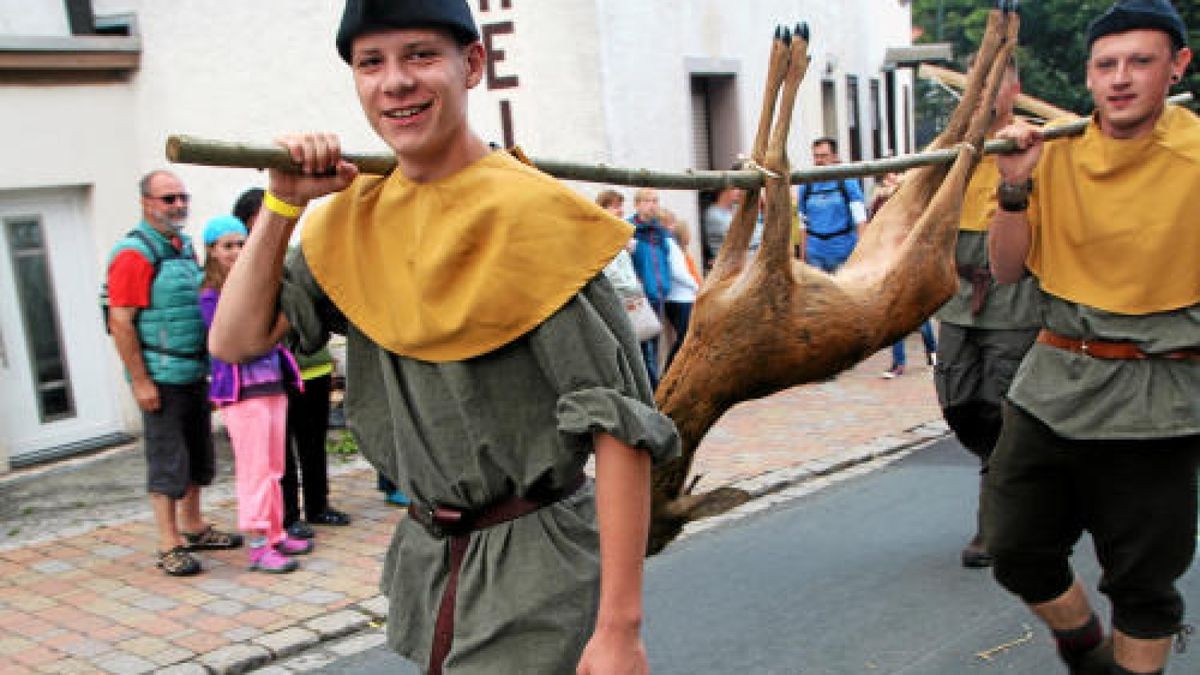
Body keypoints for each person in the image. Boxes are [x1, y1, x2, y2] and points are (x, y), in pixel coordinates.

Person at [209, 1, 679, 672]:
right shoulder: (351, 222)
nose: (395, 81)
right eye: (371, 62)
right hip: (430, 559)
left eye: (420, 55)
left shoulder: (533, 218)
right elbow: (234, 340)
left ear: (473, 64)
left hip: (537, 562)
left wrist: (621, 627)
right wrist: (283, 204)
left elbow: (620, 428)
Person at [986, 2, 1198, 672]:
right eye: (1106, 64)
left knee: (1143, 580)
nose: (1121, 78)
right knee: (1014, 545)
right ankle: (1085, 651)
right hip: (1054, 380)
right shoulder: (1058, 147)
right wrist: (1013, 189)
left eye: (1140, 61)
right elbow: (1006, 266)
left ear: (1177, 67)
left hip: (1158, 393)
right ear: (1089, 75)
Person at [104, 170, 242, 576]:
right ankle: (169, 541)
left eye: (183, 197)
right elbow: (121, 321)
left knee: (199, 453)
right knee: (168, 460)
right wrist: (141, 381)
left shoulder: (181, 248)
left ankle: (194, 524)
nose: (179, 205)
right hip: (161, 374)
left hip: (192, 369)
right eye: (169, 199)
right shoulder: (134, 253)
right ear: (146, 202)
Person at [930, 56, 1039, 568]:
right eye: (975, 82)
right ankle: (1012, 477)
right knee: (958, 402)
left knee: (1001, 407)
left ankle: (993, 523)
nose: (982, 92)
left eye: (992, 83)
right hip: (956, 297)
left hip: (1012, 293)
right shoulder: (950, 147)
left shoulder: (1035, 142)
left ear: (1012, 88)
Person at [232, 188, 352, 539]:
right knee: (282, 451)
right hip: (277, 373)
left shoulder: (297, 260)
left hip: (313, 366)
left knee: (314, 442)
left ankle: (319, 505)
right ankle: (289, 513)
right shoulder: (252, 270)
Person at [199, 215, 312, 573]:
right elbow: (238, 336)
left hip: (272, 384)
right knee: (255, 470)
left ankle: (276, 533)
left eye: (241, 244)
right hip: (242, 392)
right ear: (212, 252)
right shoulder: (210, 296)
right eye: (227, 245)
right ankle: (259, 544)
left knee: (275, 466)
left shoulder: (257, 285)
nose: (236, 251)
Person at [798, 137, 867, 272]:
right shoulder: (806, 185)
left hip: (843, 253)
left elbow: (861, 220)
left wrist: (862, 255)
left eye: (824, 156)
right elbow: (803, 224)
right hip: (815, 255)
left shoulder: (847, 181)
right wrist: (802, 258)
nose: (819, 161)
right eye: (816, 156)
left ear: (834, 157)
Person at [628, 187, 673, 389]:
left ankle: (654, 390)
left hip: (658, 295)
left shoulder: (660, 231)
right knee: (641, 350)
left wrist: (665, 284)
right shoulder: (630, 230)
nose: (653, 205)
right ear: (637, 204)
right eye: (648, 200)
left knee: (653, 347)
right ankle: (651, 392)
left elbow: (665, 259)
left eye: (656, 200)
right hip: (640, 297)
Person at [658, 209, 701, 370]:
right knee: (685, 339)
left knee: (684, 338)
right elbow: (679, 272)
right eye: (669, 223)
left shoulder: (664, 243)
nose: (672, 227)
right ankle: (669, 370)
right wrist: (696, 287)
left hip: (674, 298)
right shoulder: (669, 243)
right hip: (681, 299)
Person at [702, 185, 743, 268]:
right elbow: (738, 237)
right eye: (734, 189)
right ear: (724, 191)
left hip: (739, 259)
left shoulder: (735, 209)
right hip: (726, 263)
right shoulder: (713, 213)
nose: (738, 191)